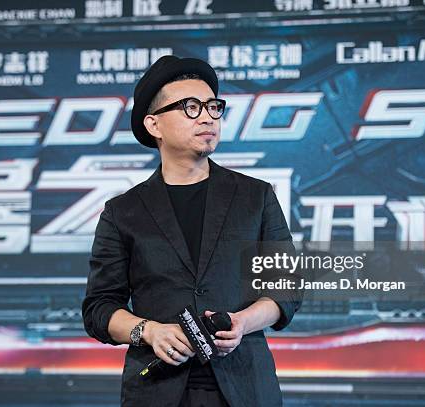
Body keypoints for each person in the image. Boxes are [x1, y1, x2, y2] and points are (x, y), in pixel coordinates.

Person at [82, 55, 303, 407]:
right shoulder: (122, 211)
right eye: (190, 107)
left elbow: (287, 288)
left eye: (213, 107)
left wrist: (243, 322)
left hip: (246, 387)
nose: (207, 116)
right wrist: (149, 331)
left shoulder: (255, 196)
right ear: (154, 125)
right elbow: (99, 308)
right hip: (158, 389)